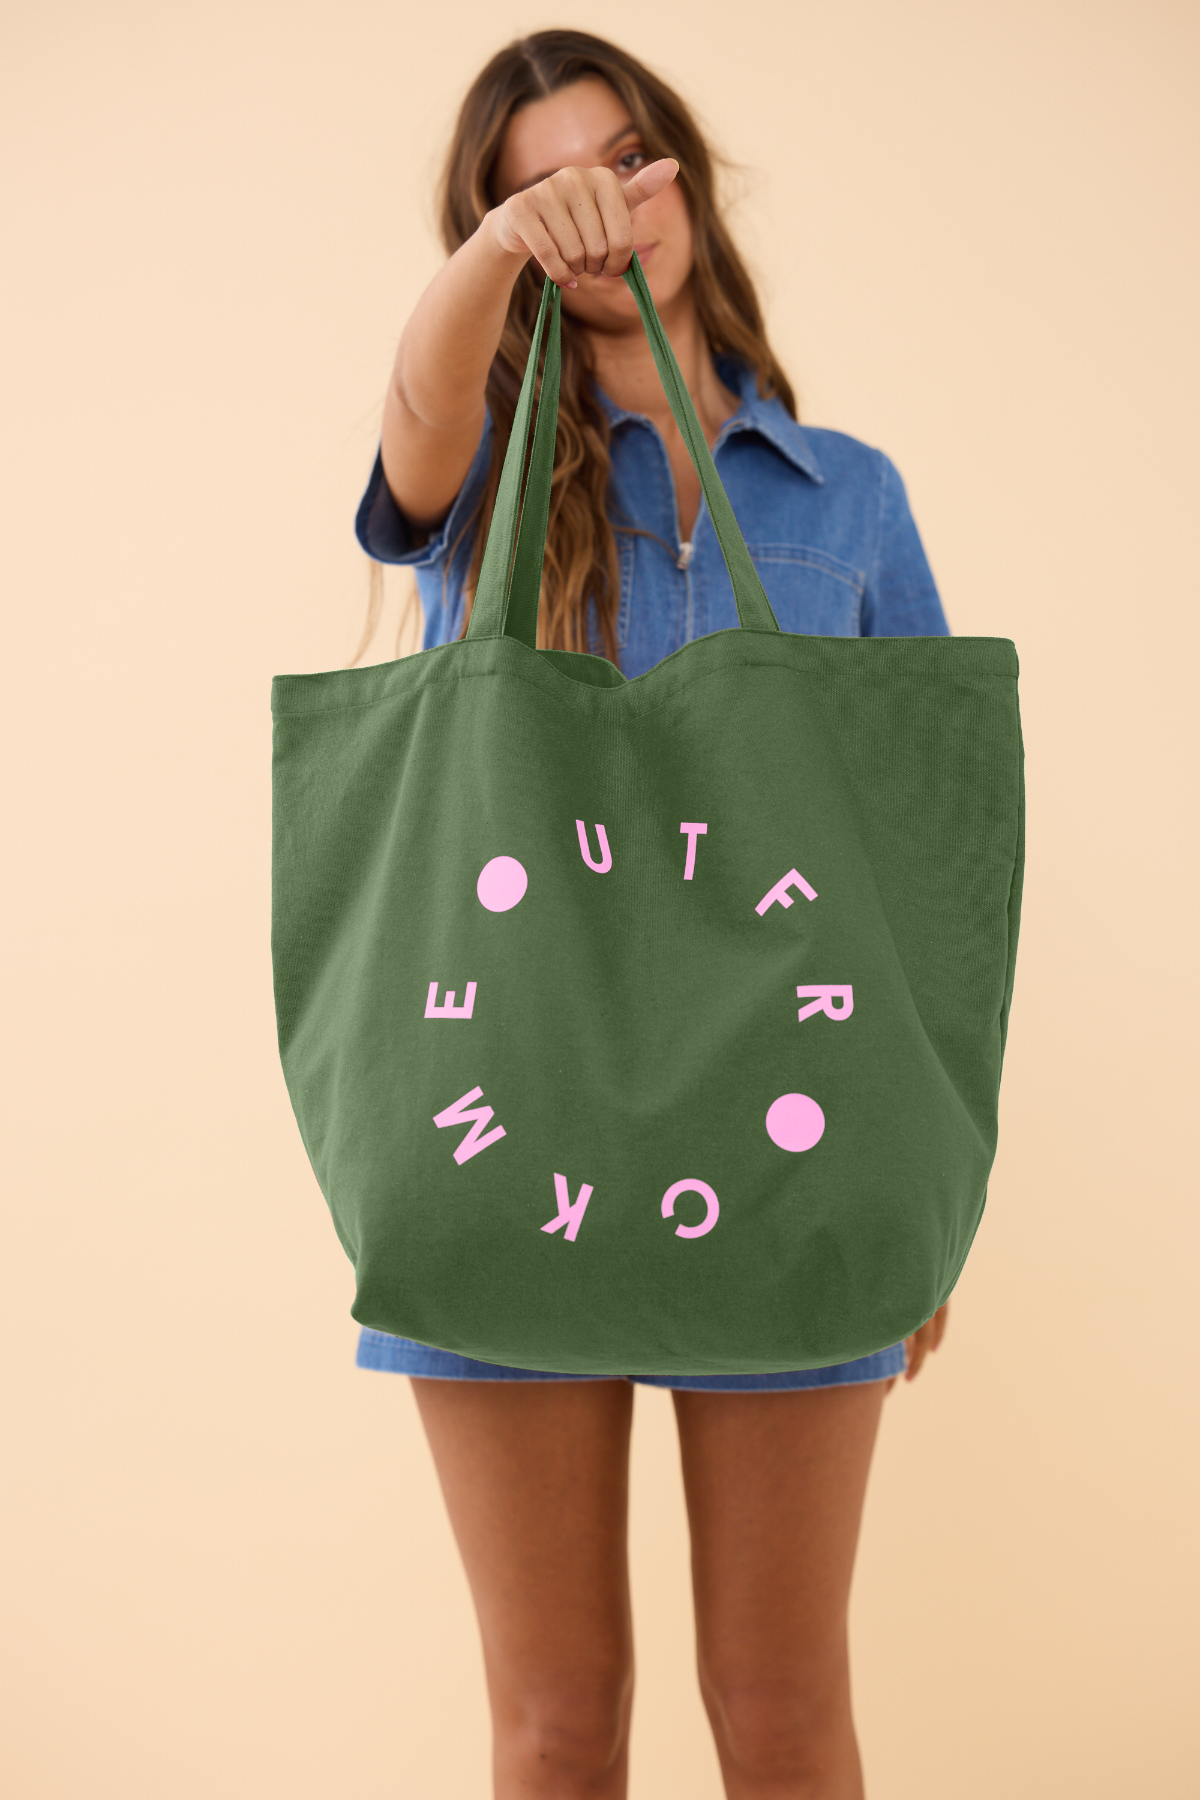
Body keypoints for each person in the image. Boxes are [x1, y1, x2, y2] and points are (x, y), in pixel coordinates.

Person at [355, 29, 949, 1800]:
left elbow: (920, 859)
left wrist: (929, 1179)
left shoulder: (850, 498)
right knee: (556, 1724)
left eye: (627, 159)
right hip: (505, 1129)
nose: (606, 208)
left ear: (684, 169)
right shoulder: (483, 475)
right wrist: (499, 252)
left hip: (798, 1138)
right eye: (548, 187)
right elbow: (412, 422)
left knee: (783, 1714)